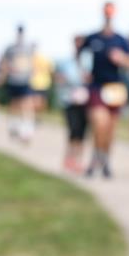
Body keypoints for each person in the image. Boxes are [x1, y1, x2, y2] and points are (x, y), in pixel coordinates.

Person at [79, 1, 129, 178]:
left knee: (110, 128)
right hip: (96, 86)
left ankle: (104, 160)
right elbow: (80, 56)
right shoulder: (93, 38)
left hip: (115, 88)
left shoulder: (121, 40)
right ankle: (96, 157)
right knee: (99, 123)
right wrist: (83, 71)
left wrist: (122, 59)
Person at [54, 36, 91, 173]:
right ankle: (69, 158)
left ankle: (78, 161)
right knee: (73, 130)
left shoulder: (89, 62)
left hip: (85, 102)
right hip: (70, 101)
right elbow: (58, 77)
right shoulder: (66, 62)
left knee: (82, 133)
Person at [0, 25, 36, 143]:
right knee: (14, 104)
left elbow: (32, 63)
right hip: (13, 80)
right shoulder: (10, 48)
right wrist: (3, 76)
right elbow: (4, 63)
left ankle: (27, 130)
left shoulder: (28, 48)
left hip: (24, 81)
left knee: (27, 105)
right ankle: (13, 126)